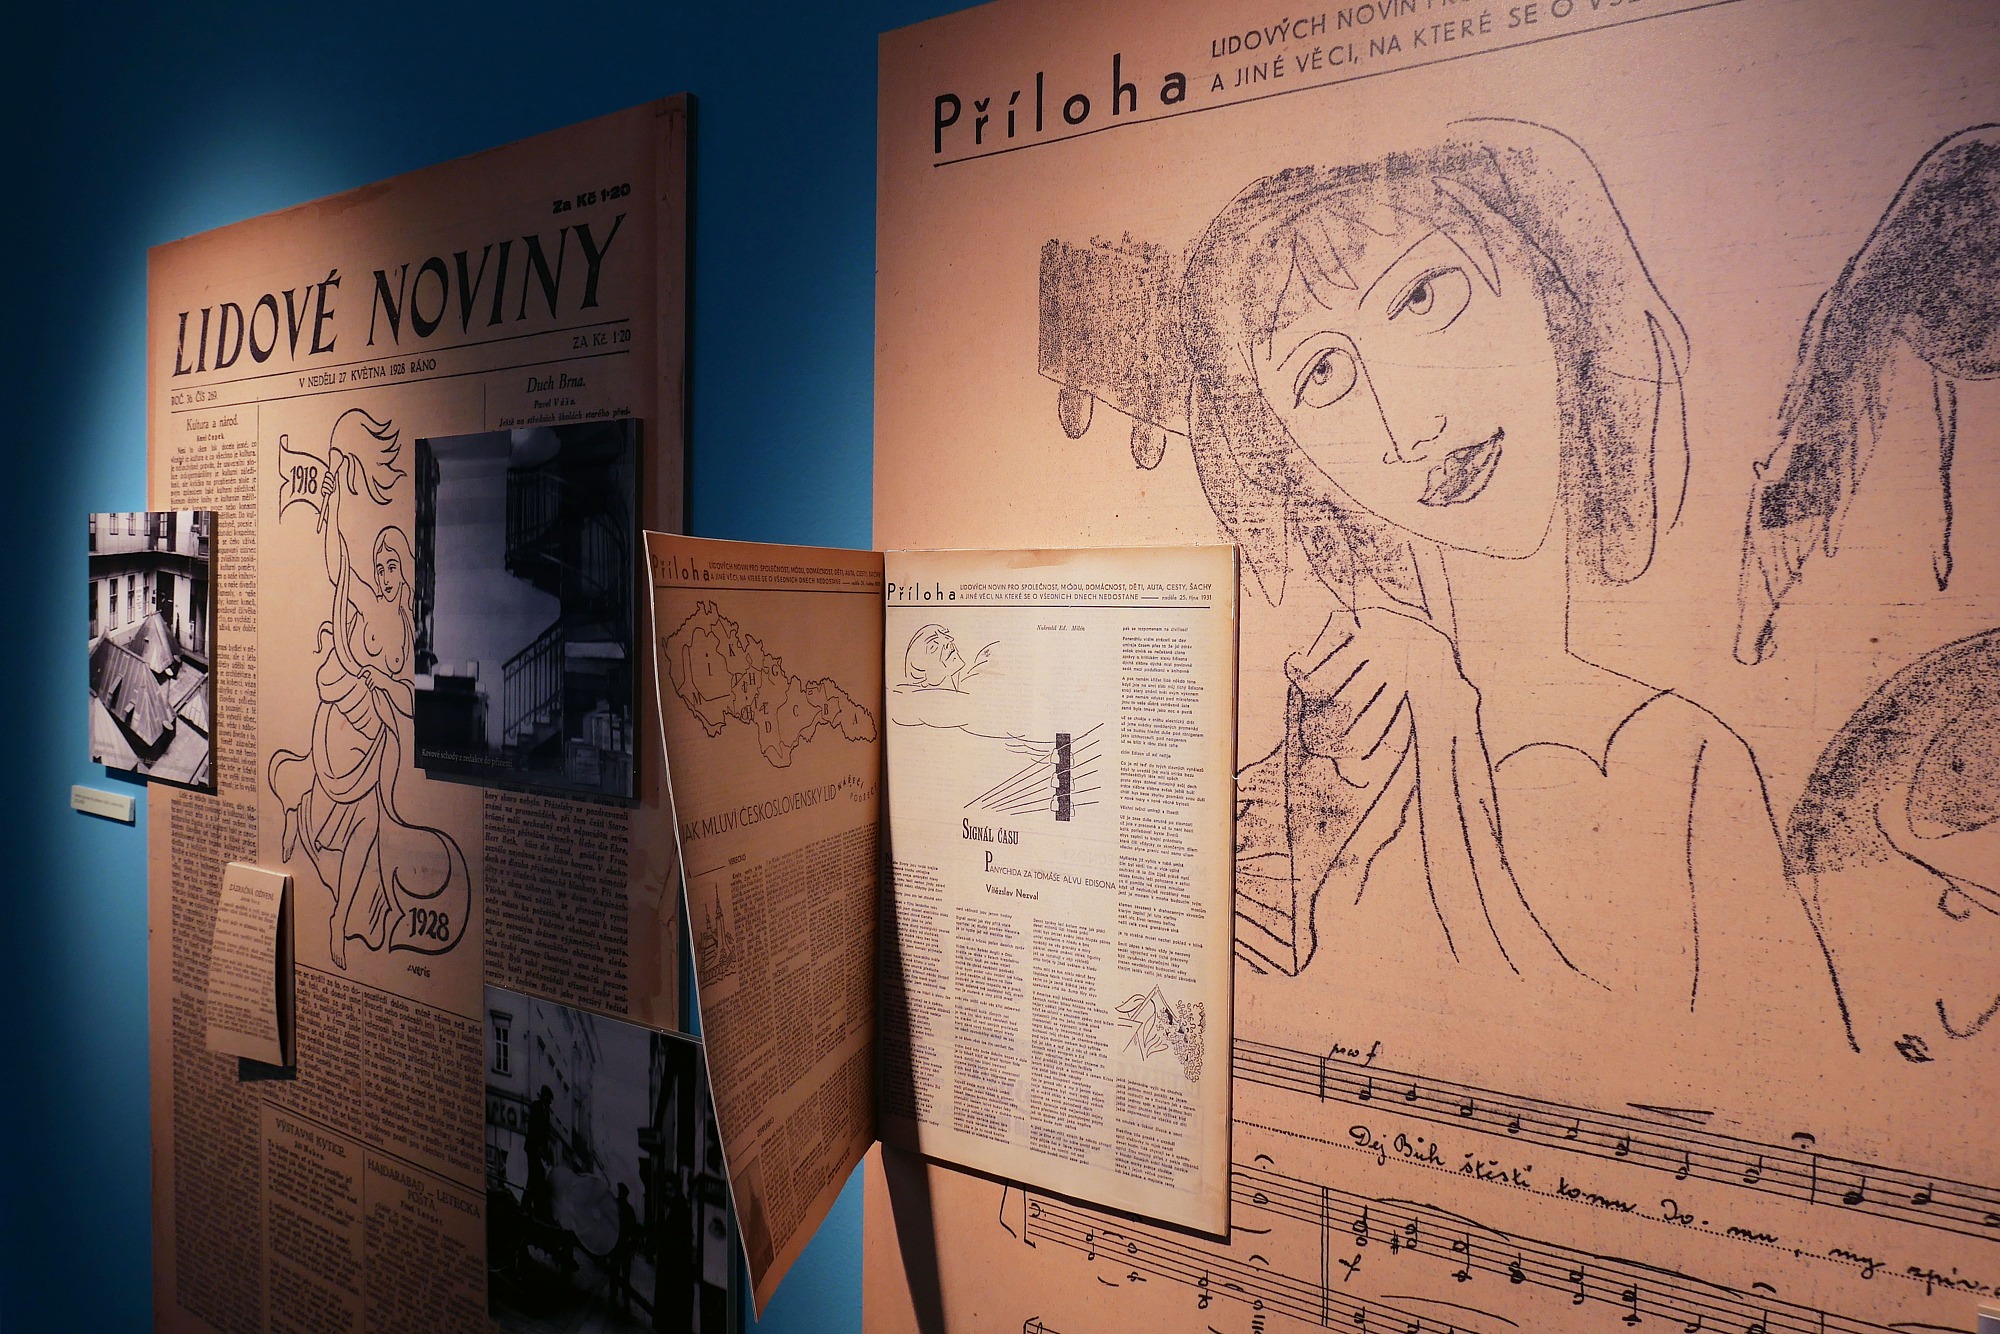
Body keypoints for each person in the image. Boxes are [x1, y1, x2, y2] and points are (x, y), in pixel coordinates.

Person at [1179, 119, 1848, 1041]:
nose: (1409, 423)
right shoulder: (1314, 773)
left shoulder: (1678, 761)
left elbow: (1712, 1074)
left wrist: (1446, 727)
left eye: (1422, 296)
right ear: (1291, 457)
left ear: (1558, 299)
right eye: (1322, 372)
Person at [268, 408, 468, 967]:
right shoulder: (359, 596)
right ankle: (295, 817)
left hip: (374, 741)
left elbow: (408, 698)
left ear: (403, 573)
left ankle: (340, 918)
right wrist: (335, 488)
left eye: (390, 566)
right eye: (378, 564)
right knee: (307, 784)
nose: (382, 573)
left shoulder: (405, 630)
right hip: (340, 724)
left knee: (368, 828)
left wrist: (380, 684)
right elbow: (337, 559)